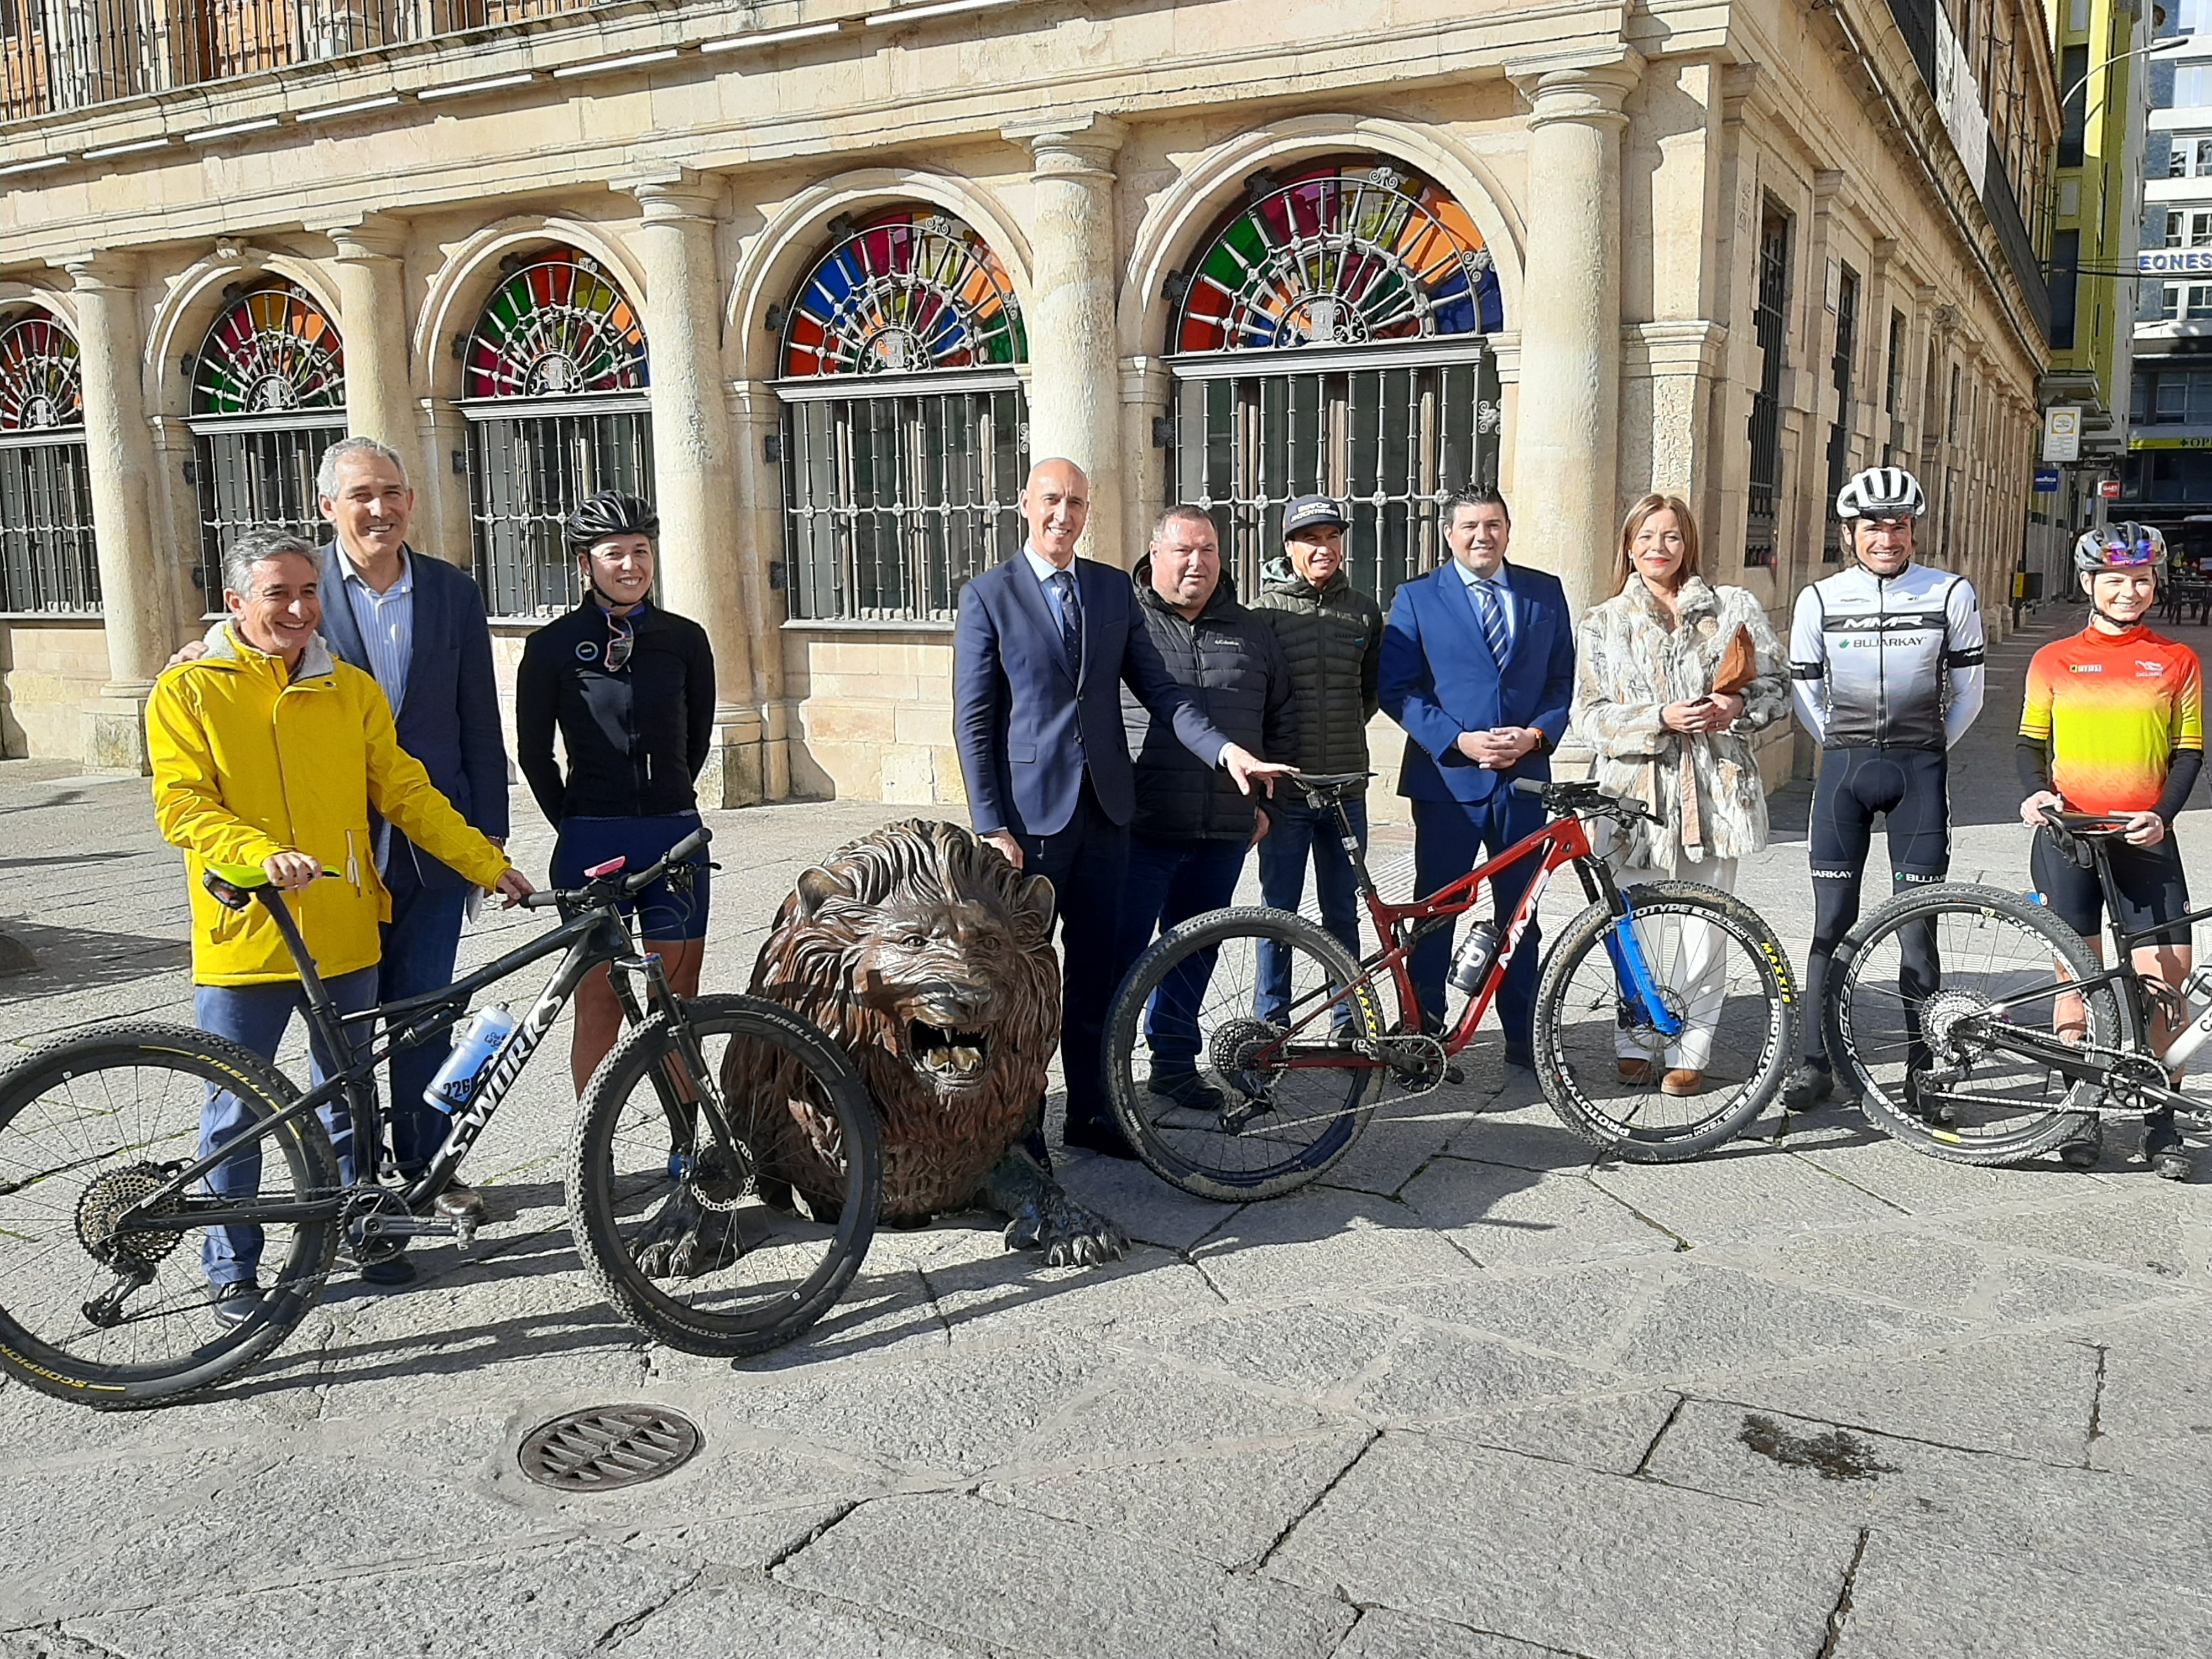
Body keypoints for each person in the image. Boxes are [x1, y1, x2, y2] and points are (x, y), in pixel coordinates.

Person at [147, 530, 529, 1324]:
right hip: (245, 929)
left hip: (344, 923)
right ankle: (233, 1269)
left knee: (346, 1099)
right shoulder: (188, 692)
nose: (297, 609)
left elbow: (408, 792)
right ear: (237, 605)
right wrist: (260, 854)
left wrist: (485, 863)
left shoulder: (348, 689)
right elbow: (183, 805)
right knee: (235, 1109)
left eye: (308, 592)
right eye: (278, 595)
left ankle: (361, 1228)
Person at [952, 458, 1293, 1159]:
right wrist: (991, 824)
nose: (1063, 516)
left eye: (1076, 504)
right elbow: (975, 721)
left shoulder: (1110, 590)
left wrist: (1227, 753)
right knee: (1024, 981)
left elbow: (1165, 694)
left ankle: (1094, 1112)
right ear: (1025, 505)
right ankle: (1020, 1128)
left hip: (1109, 814)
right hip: (1028, 824)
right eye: (1051, 501)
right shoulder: (989, 595)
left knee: (1103, 974)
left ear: (1088, 512)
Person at [1570, 493, 1788, 1092]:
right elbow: (1587, 716)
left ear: (1687, 542)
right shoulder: (1602, 620)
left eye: (1669, 536)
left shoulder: (1733, 607)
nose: (1656, 549)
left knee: (1706, 923)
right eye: (1645, 538)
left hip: (1714, 793)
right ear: (1627, 546)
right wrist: (1658, 717)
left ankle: (1692, 1045)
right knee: (1626, 924)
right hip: (1630, 799)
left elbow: (1777, 689)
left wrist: (1735, 705)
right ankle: (1634, 1035)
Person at [1785, 465, 1985, 1112]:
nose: (1886, 537)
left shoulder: (1949, 592)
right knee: (1830, 925)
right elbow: (1805, 691)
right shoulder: (1818, 599)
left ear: (1913, 532)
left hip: (1917, 776)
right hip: (1843, 773)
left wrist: (1926, 749)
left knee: (1917, 931)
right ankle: (1814, 1062)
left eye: (1898, 526)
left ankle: (1922, 1071)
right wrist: (1842, 744)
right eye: (1873, 526)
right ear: (1850, 534)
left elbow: (1971, 693)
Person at [2018, 522, 2203, 1178]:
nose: (2130, 591)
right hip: (2070, 838)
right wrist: (2036, 796)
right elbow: (2028, 745)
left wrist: (2160, 815)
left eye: (2142, 579)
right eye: (2116, 579)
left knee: (2167, 974)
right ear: (2090, 584)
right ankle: (2081, 1111)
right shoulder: (2054, 660)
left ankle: (2161, 1121)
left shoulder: (2177, 661)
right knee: (2079, 979)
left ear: (2155, 584)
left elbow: (2188, 752)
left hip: (2144, 836)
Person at [516, 492, 715, 1095]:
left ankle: (688, 1144)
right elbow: (534, 754)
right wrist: (575, 821)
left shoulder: (684, 639)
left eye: (641, 552)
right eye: (613, 554)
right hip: (590, 841)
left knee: (676, 1001)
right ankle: (593, 1144)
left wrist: (666, 797)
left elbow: (697, 737)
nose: (631, 566)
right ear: (585, 563)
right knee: (599, 1003)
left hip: (672, 837)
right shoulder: (550, 646)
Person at [1378, 486, 1575, 1065]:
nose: (1481, 536)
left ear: (1507, 530)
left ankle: (1524, 1038)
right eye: (1468, 526)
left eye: (1491, 524)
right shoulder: (1417, 598)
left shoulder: (1544, 593)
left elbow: (1563, 682)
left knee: (1522, 916)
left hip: (1523, 783)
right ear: (1449, 534)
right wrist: (1455, 739)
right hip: (1447, 785)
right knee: (1434, 912)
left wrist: (1535, 735)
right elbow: (1397, 690)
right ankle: (1424, 1031)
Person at [1115, 505, 1298, 1108]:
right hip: (1139, 826)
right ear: (1155, 554)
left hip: (1223, 826)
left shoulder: (1252, 633)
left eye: (1208, 550)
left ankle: (1172, 1064)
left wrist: (1268, 805)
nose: (1197, 562)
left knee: (1194, 954)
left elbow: (1280, 721)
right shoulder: (1126, 624)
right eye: (1183, 550)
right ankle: (1105, 1078)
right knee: (1120, 959)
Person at [1248, 494, 1384, 1024]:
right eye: (1311, 539)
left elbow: (1368, 692)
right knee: (1277, 913)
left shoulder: (1364, 610)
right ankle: (1270, 1021)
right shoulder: (1265, 612)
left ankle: (1349, 1021)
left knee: (1343, 911)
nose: (1323, 548)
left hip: (1347, 789)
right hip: (1289, 791)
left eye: (1331, 537)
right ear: (1289, 546)